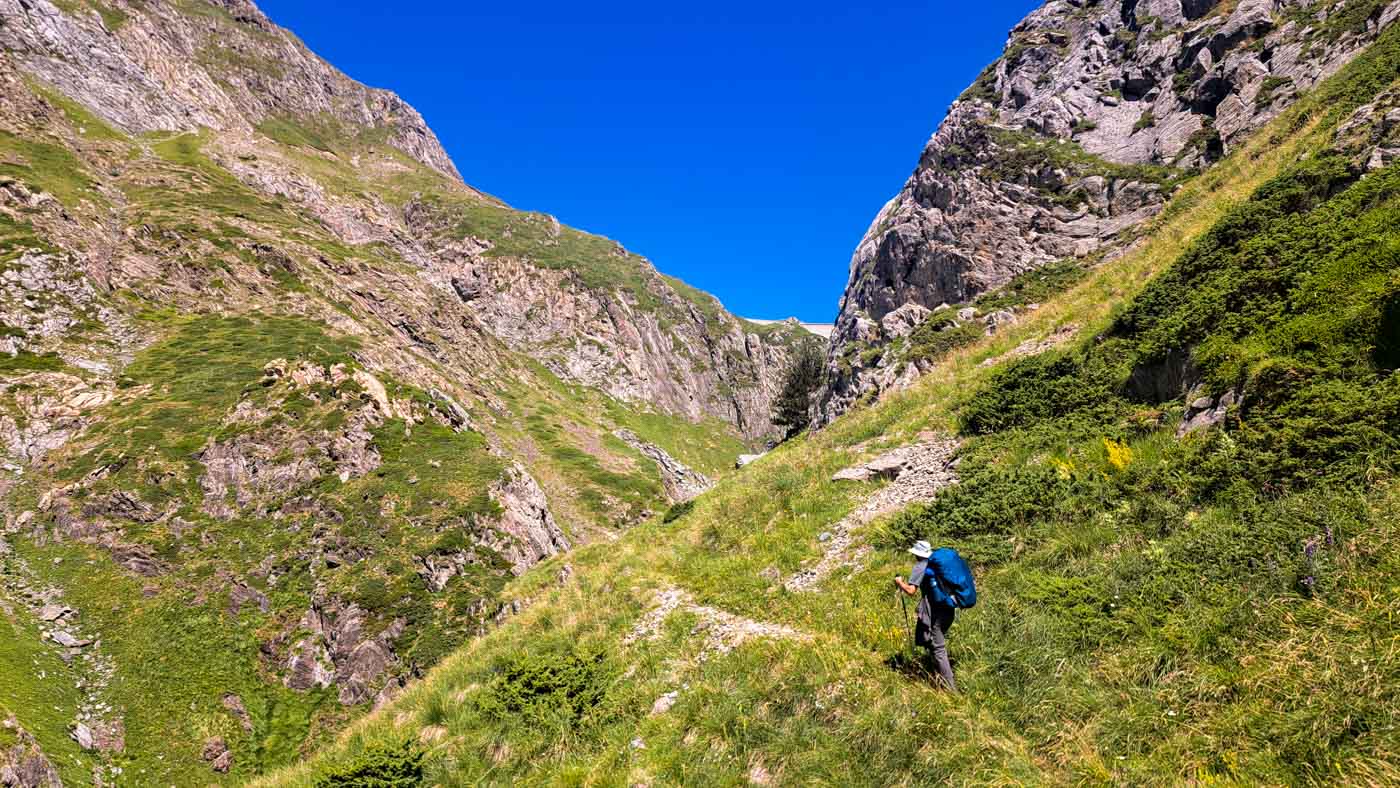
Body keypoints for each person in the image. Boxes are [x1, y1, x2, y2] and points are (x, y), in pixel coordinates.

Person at [894, 540, 957, 690]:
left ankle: (951, 690)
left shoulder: (920, 566)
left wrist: (900, 582)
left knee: (938, 648)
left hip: (934, 610)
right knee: (929, 639)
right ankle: (936, 672)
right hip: (949, 608)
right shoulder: (938, 563)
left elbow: (911, 591)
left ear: (917, 554)